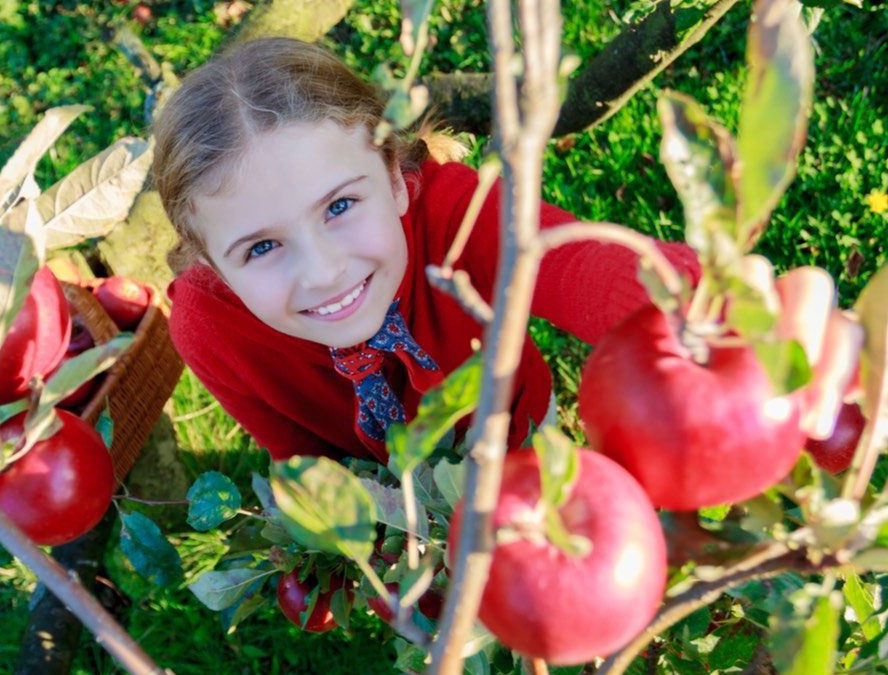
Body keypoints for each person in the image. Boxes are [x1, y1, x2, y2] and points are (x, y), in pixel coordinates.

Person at [152, 37, 854, 465]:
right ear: (211, 265)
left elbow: (576, 264)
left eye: (340, 206)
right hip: (389, 494)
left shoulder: (461, 217)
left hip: (516, 421)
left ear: (396, 180)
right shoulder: (205, 329)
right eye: (263, 246)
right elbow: (293, 449)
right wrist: (347, 534)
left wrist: (710, 310)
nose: (324, 270)